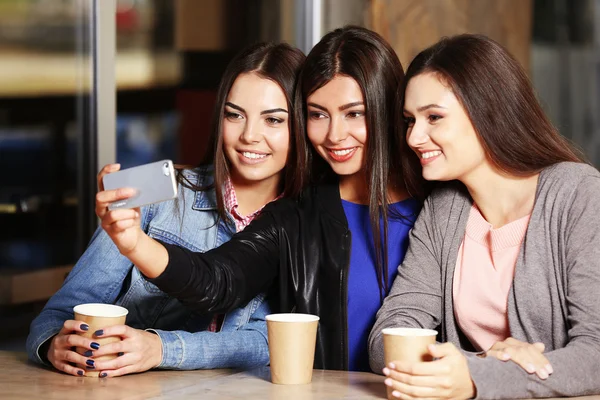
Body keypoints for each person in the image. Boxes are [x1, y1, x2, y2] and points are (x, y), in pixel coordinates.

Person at [96, 26, 422, 372]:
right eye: (317, 114)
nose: (334, 134)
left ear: (387, 108)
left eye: (354, 113)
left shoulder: (439, 206)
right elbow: (217, 280)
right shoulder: (297, 214)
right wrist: (133, 243)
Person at [26, 42, 306, 378]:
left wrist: (160, 348)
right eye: (234, 115)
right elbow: (58, 315)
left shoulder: (306, 220)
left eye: (273, 120)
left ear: (302, 126)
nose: (249, 136)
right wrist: (55, 345)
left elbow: (267, 342)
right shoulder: (153, 198)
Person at [368, 33, 600, 399]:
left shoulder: (579, 193)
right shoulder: (443, 208)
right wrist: (480, 361)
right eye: (410, 120)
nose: (414, 137)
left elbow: (596, 353)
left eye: (434, 117)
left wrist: (482, 377)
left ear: (487, 110)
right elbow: (390, 334)